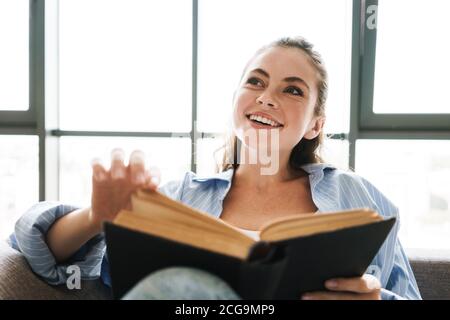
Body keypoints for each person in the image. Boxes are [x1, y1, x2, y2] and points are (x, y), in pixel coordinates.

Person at [9, 37, 421, 300]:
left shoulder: (359, 198)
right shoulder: (179, 196)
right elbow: (47, 257)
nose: (267, 97)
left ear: (316, 123)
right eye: (255, 82)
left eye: (292, 89)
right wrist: (96, 217)